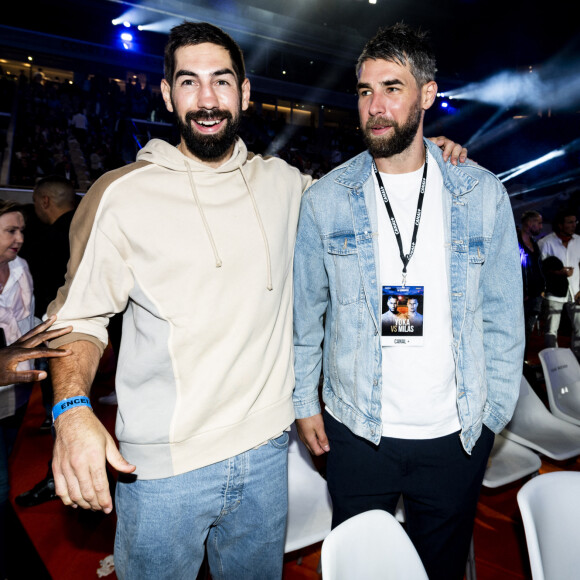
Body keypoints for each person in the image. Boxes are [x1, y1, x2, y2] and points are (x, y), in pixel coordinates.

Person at [44, 22, 466, 580]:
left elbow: (366, 187)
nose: (208, 99)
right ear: (168, 95)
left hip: (268, 458)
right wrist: (72, 412)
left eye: (222, 82)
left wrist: (423, 150)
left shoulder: (286, 185)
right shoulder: (120, 195)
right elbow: (77, 320)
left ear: (244, 93)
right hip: (163, 472)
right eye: (189, 83)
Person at [292, 23, 524, 580]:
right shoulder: (327, 199)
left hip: (456, 435)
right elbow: (307, 315)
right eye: (365, 90)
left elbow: (503, 319)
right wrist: (304, 400)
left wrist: (492, 416)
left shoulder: (480, 192)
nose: (375, 105)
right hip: (358, 431)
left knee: (441, 569)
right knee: (362, 570)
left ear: (426, 94)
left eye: (392, 88)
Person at [538, 208, 580, 356]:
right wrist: (558, 273)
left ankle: (577, 360)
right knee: (551, 330)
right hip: (554, 292)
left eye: (575, 222)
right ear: (560, 225)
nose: (573, 225)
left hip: (576, 291)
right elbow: (541, 269)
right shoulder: (546, 243)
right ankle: (553, 360)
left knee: (579, 327)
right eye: (569, 222)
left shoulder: (579, 241)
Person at [517, 210, 545, 360]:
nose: (541, 226)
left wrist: (542, 288)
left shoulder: (534, 243)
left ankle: (523, 363)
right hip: (521, 297)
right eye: (539, 223)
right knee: (518, 333)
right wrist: (521, 291)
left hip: (535, 296)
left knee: (528, 332)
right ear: (529, 223)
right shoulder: (515, 243)